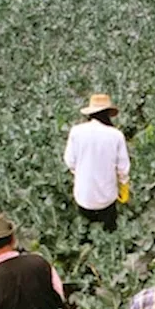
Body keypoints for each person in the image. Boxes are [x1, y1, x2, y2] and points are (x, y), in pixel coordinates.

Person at [64, 93, 130, 232]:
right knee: (108, 233)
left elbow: (70, 161)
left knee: (86, 232)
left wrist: (80, 173)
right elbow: (123, 168)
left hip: (83, 196)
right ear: (108, 114)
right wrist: (123, 184)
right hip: (107, 197)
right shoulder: (116, 135)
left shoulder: (76, 132)